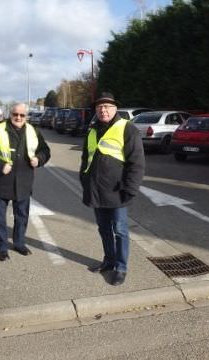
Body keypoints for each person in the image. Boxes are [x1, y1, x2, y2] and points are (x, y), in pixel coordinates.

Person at [80, 92, 145, 286]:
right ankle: (108, 261)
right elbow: (86, 158)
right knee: (104, 229)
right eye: (100, 107)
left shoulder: (127, 128)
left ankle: (121, 267)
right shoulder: (92, 130)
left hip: (118, 191)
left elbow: (137, 163)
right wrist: (84, 180)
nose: (103, 110)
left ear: (115, 109)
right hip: (97, 190)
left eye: (107, 106)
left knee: (120, 230)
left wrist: (130, 189)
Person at [0, 103, 51, 261]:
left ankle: (19, 243)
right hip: (2, 181)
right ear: (10, 114)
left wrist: (39, 159)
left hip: (24, 182)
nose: (18, 118)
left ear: (26, 116)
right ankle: (1, 248)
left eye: (22, 115)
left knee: (22, 216)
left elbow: (45, 150)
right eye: (15, 114)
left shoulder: (33, 131)